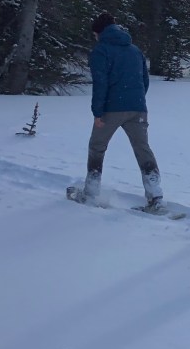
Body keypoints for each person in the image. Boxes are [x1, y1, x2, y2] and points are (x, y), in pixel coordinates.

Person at [70, 12, 164, 209]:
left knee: (97, 147)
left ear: (98, 32)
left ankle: (91, 194)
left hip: (112, 108)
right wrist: (136, 100)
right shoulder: (134, 50)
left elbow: (100, 83)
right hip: (138, 108)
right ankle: (155, 198)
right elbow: (144, 81)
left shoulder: (101, 51)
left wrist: (98, 112)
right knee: (143, 149)